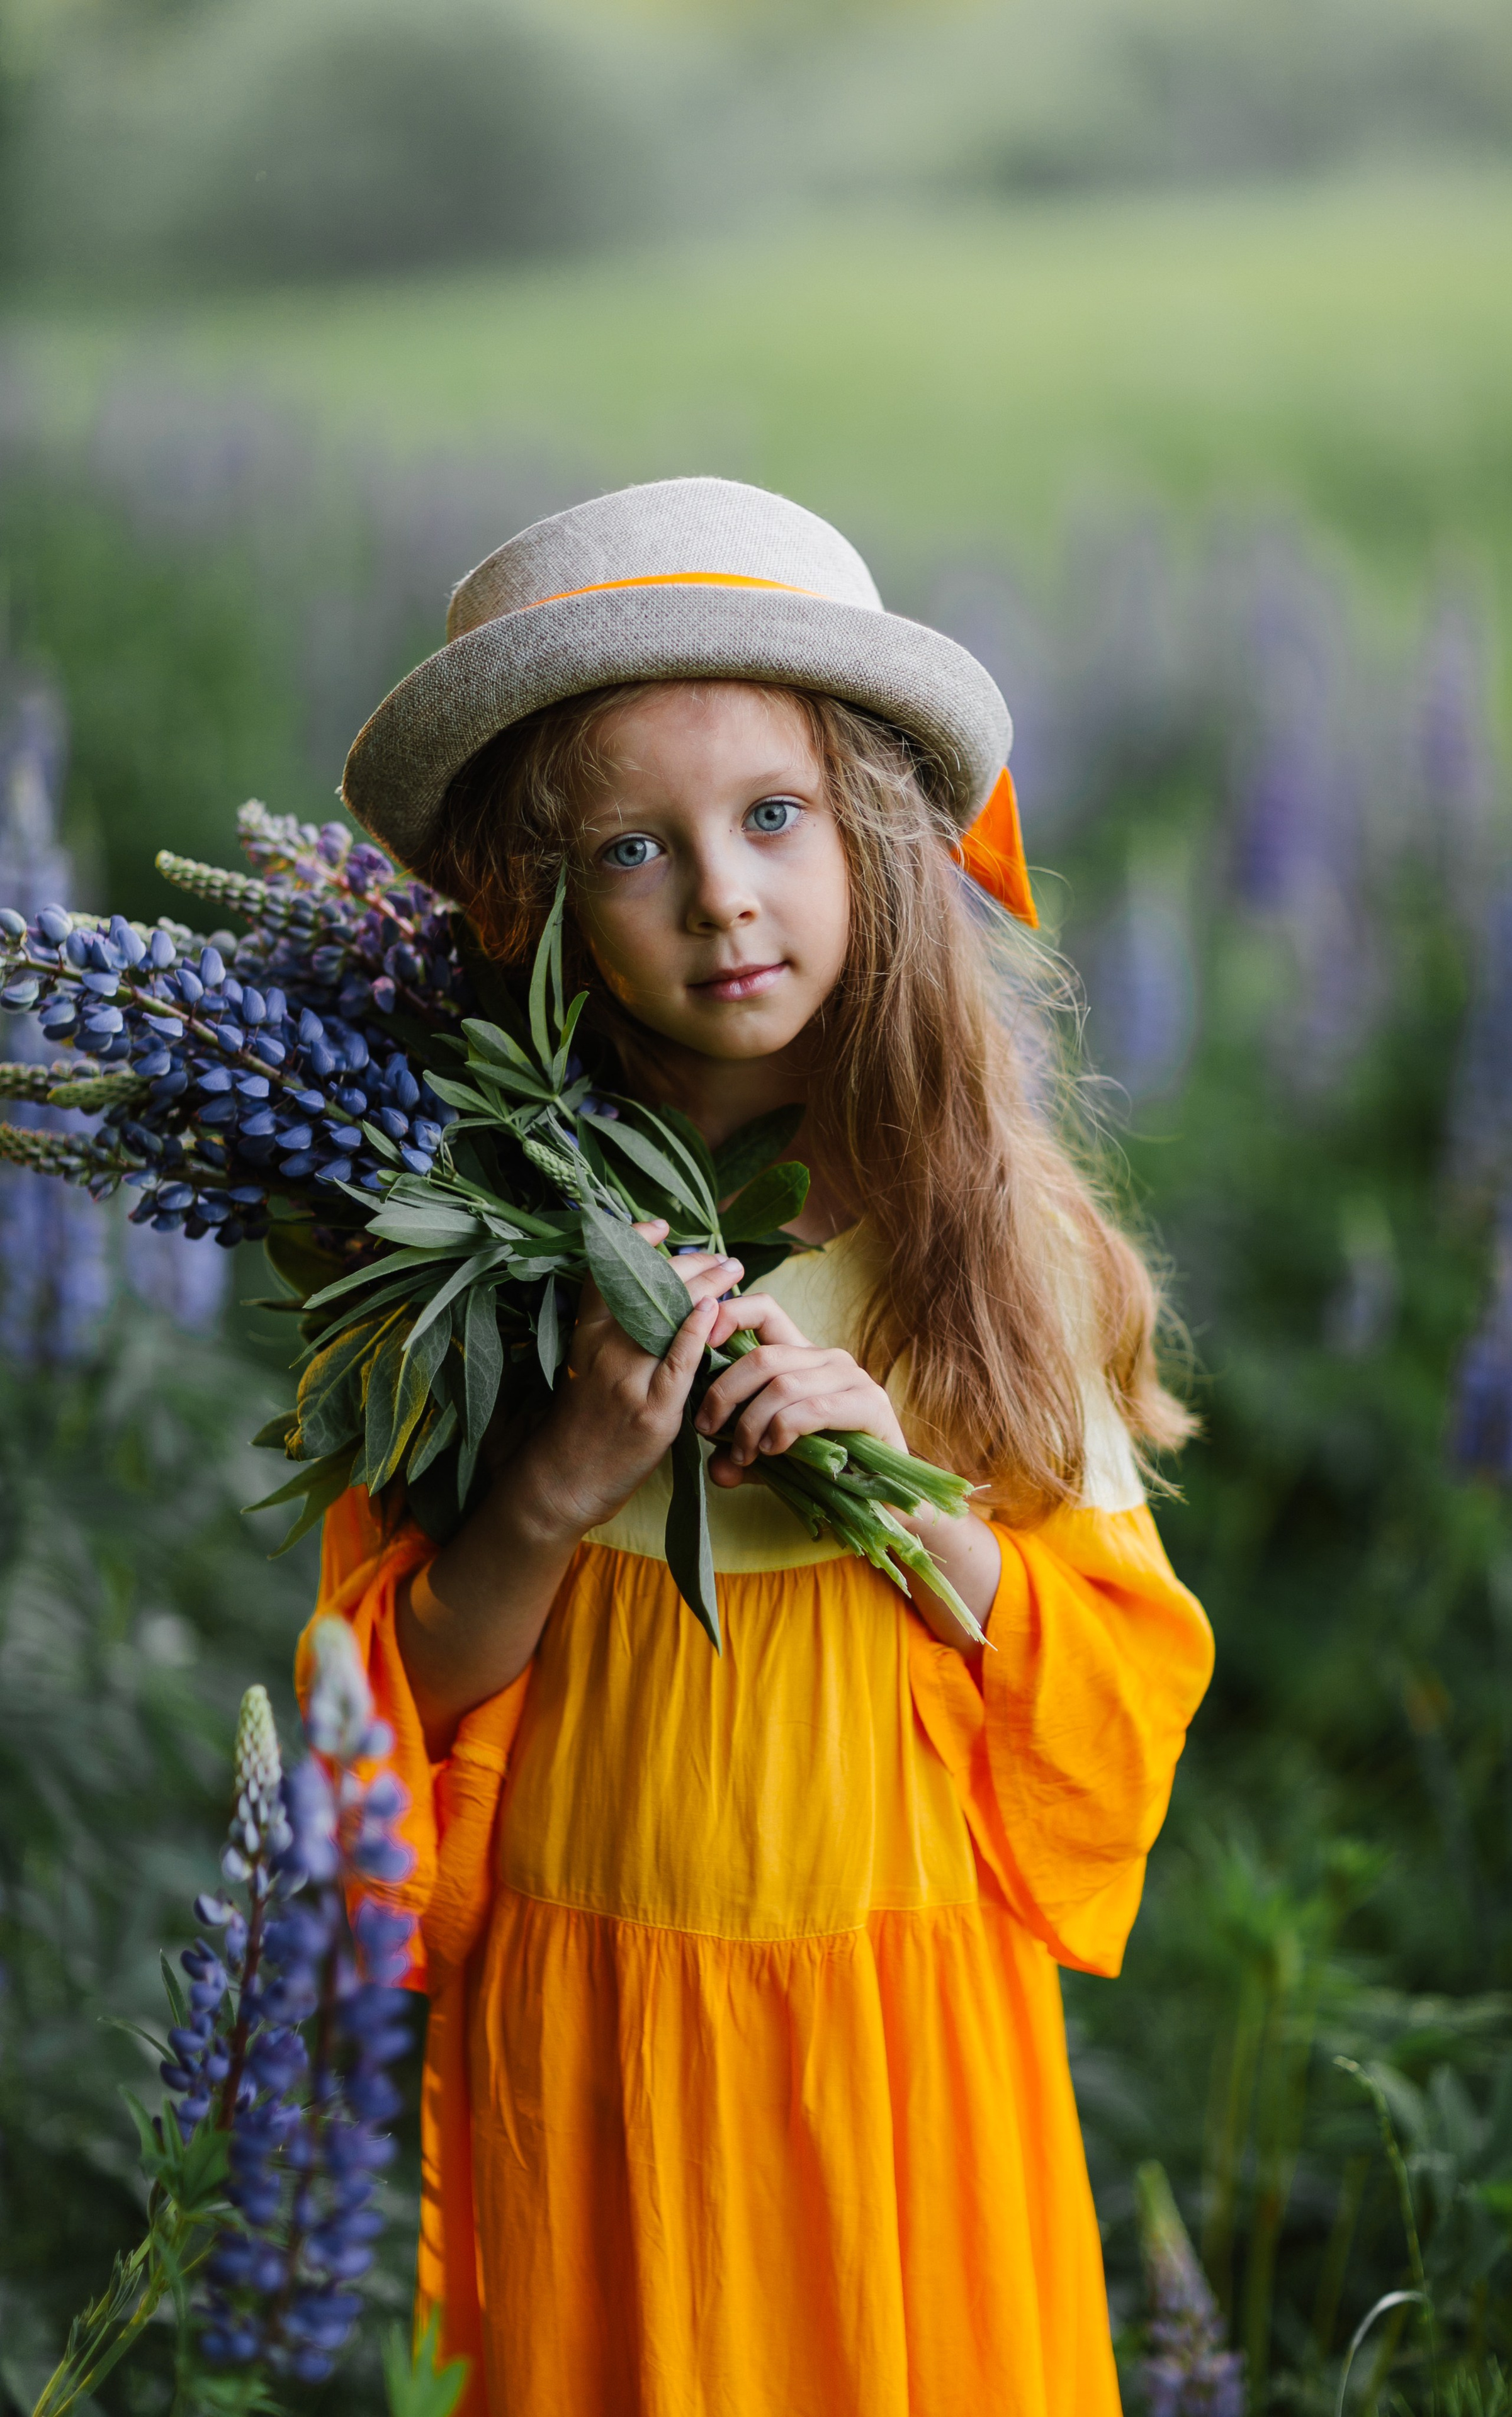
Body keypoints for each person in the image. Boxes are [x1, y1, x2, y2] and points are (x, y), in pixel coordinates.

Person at [300, 476, 1214, 2417]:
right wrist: (551, 1484)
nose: (723, 890)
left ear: (876, 836)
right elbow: (380, 1723)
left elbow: (1118, 1689)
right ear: (524, 907)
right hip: (590, 2022)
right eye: (638, 845)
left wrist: (908, 1498)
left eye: (774, 817)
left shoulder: (985, 1236)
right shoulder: (466, 1245)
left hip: (891, 2032)